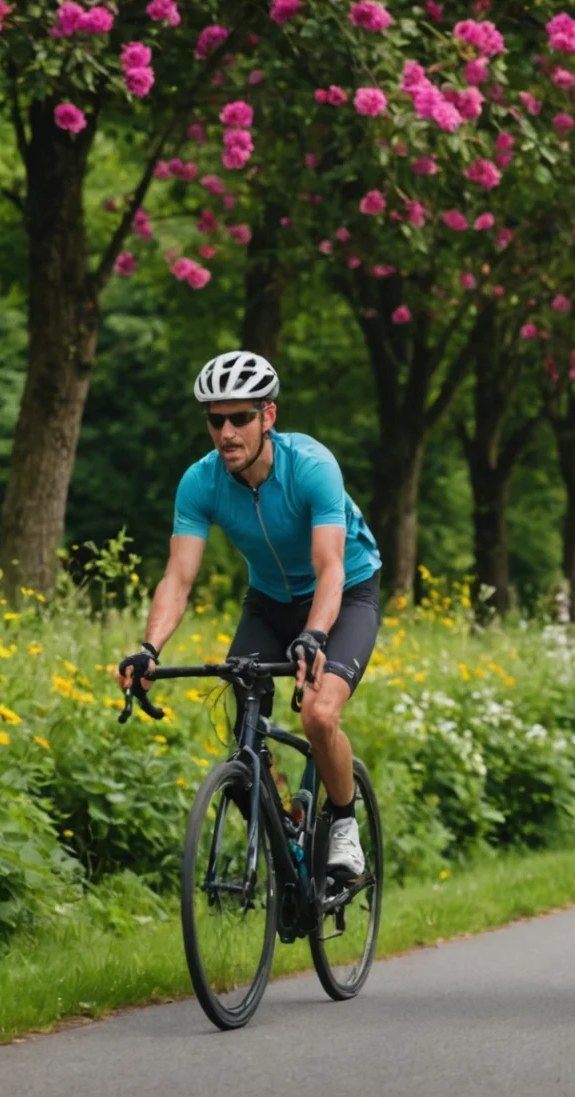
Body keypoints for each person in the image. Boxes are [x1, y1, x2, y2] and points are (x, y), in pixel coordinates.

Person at [115, 351, 383, 879]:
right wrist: (149, 650)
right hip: (267, 602)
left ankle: (345, 824)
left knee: (319, 714)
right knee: (243, 732)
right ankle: (285, 824)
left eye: (240, 418)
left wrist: (314, 633)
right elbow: (178, 577)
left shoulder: (311, 467)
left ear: (269, 417)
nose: (227, 433)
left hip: (345, 593)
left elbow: (330, 567)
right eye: (216, 420)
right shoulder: (200, 482)